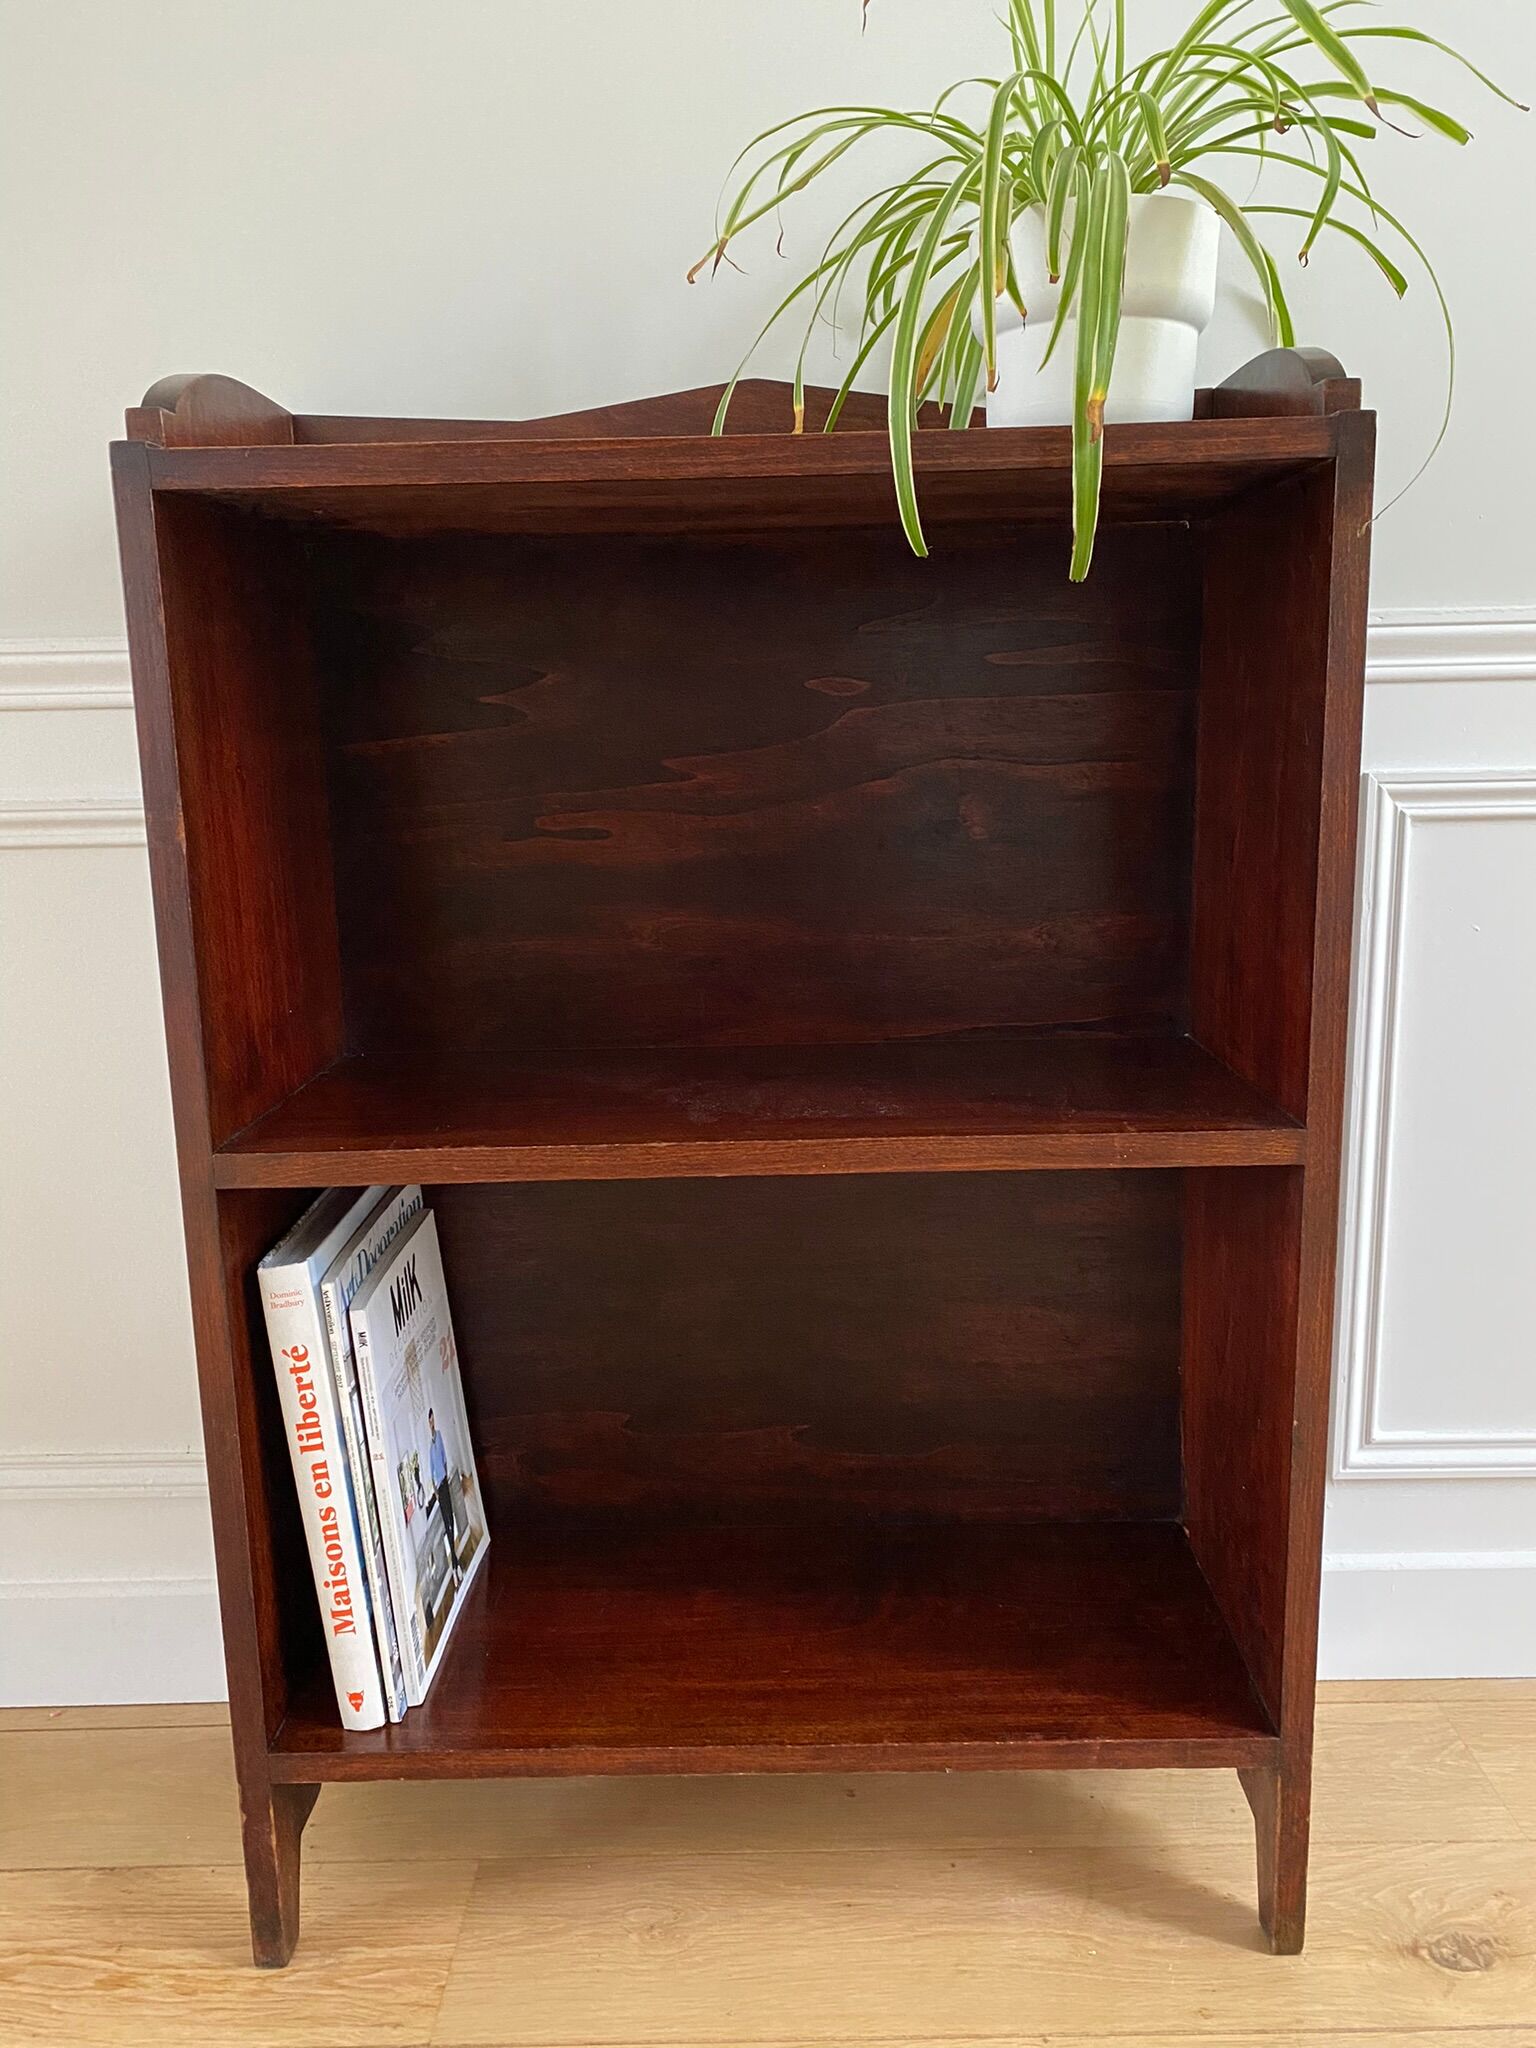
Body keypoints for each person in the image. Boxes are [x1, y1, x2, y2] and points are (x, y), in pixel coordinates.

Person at [427, 1407, 460, 1587]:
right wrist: (436, 1492)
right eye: (430, 1420)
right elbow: (432, 1470)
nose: (432, 1423)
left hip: (445, 1482)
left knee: (451, 1519)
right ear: (428, 1423)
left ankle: (455, 1565)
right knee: (446, 1522)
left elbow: (444, 1458)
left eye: (433, 1419)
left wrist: (445, 1476)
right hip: (439, 1487)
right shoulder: (429, 1447)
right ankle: (455, 1566)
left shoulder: (438, 1436)